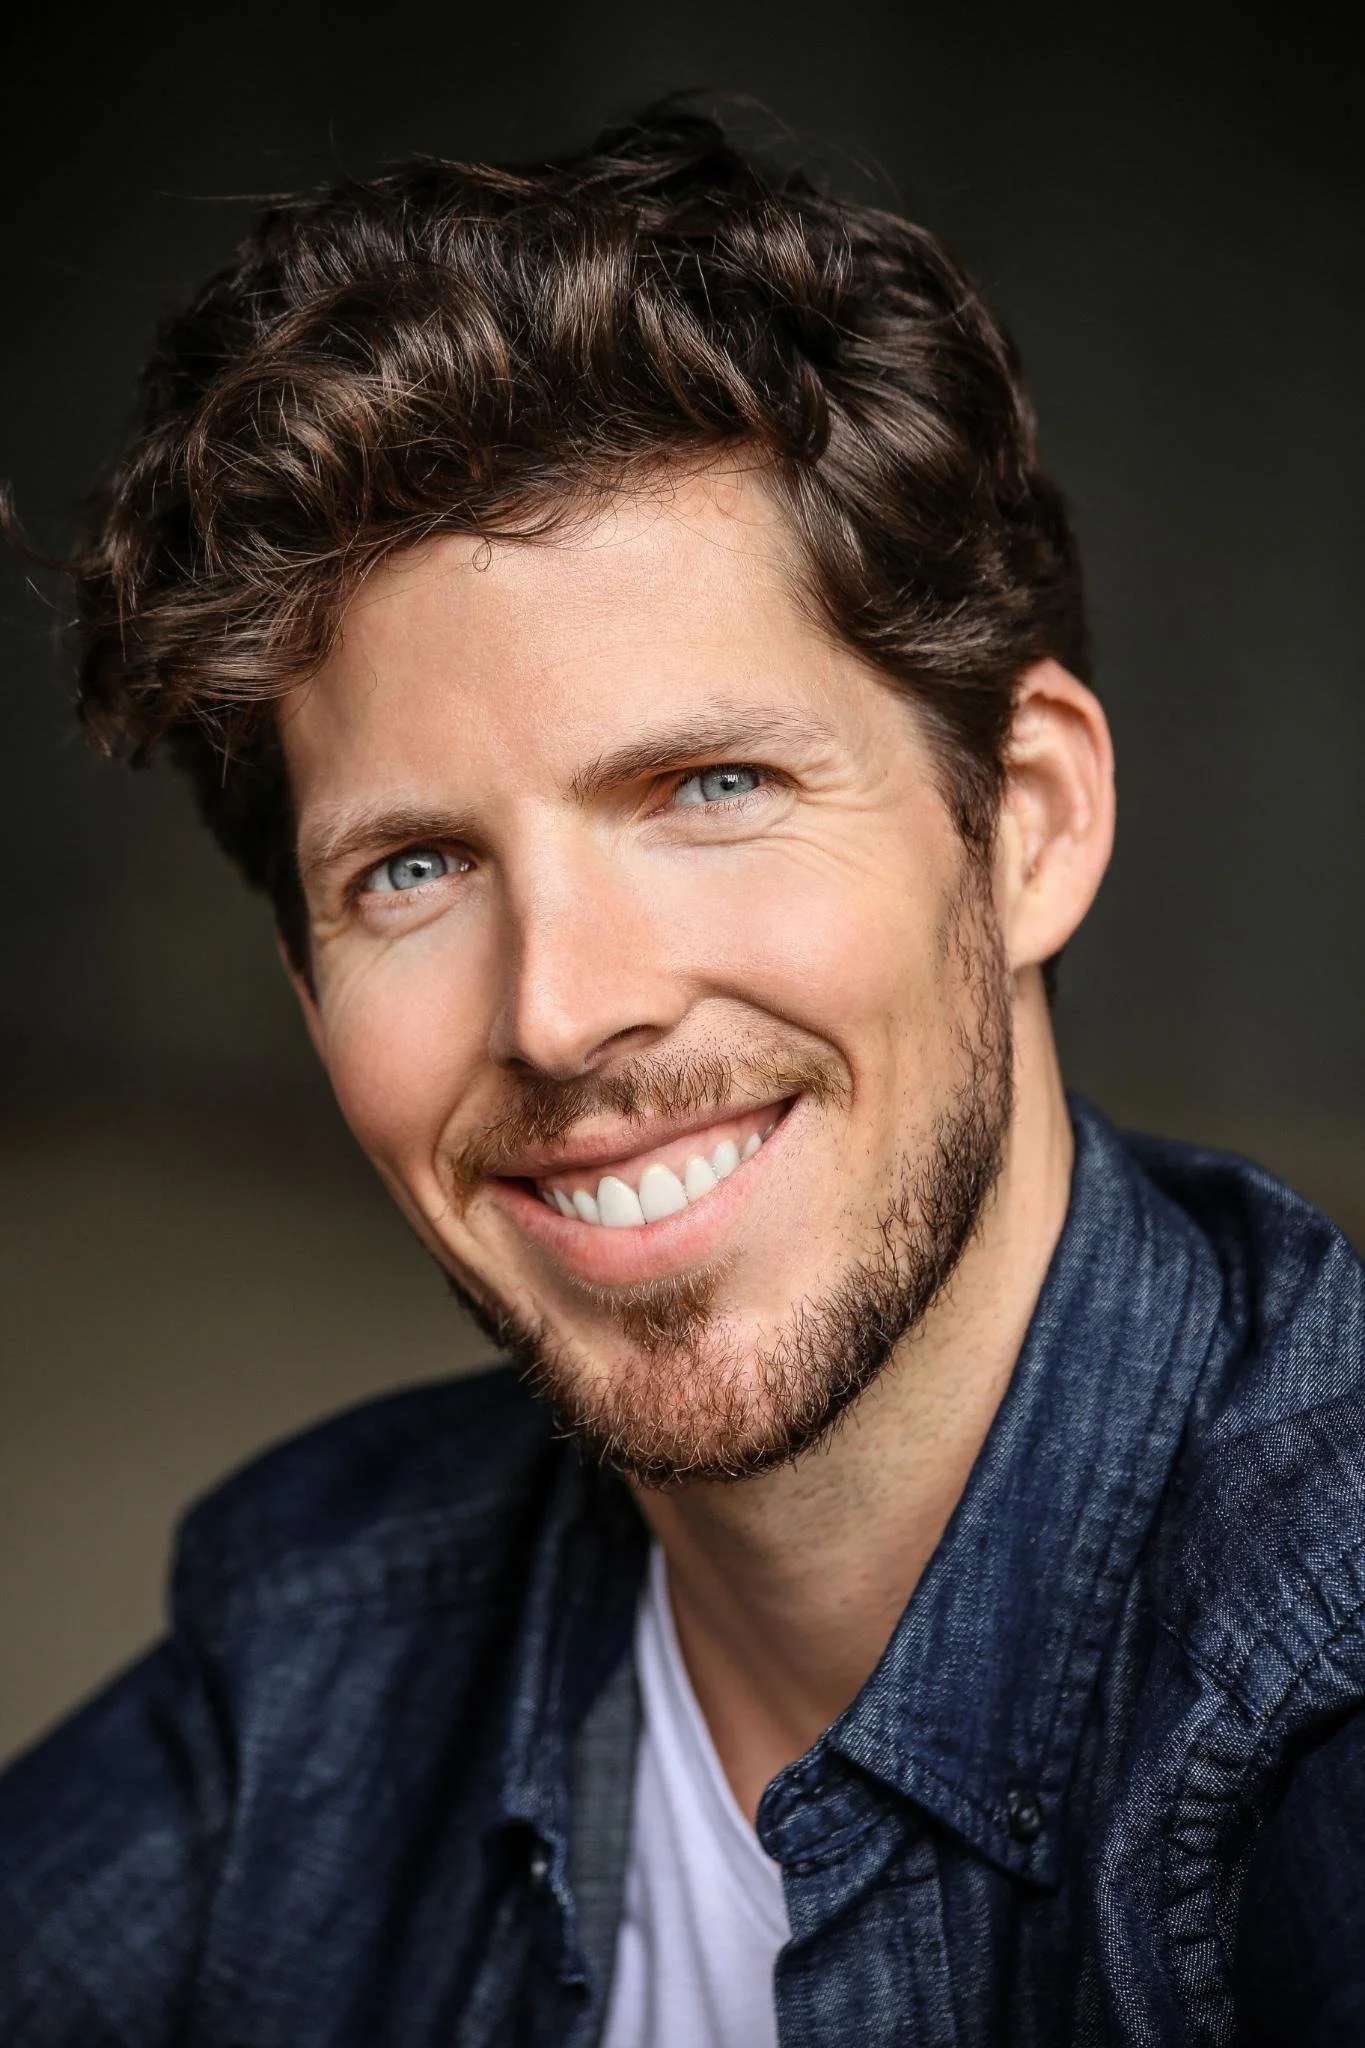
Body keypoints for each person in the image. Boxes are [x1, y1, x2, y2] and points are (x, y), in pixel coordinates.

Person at [1, 104, 1361, 2048]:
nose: (560, 1011)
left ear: (1027, 827)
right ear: (311, 1003)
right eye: (413, 869)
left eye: (708, 787)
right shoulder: (325, 1629)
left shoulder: (1319, 1685)